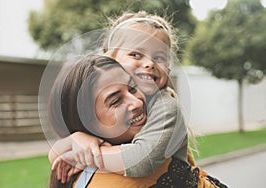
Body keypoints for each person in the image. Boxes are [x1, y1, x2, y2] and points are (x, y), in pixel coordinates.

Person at [45, 55, 232, 188]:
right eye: (116, 100)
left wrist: (71, 144)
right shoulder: (116, 182)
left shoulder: (153, 150)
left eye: (133, 88)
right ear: (85, 122)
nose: (136, 102)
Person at [50, 11, 196, 178]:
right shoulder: (101, 106)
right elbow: (55, 156)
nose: (149, 64)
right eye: (136, 54)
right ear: (110, 60)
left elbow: (141, 160)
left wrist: (91, 156)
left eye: (159, 57)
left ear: (168, 70)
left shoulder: (166, 107)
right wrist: (76, 139)